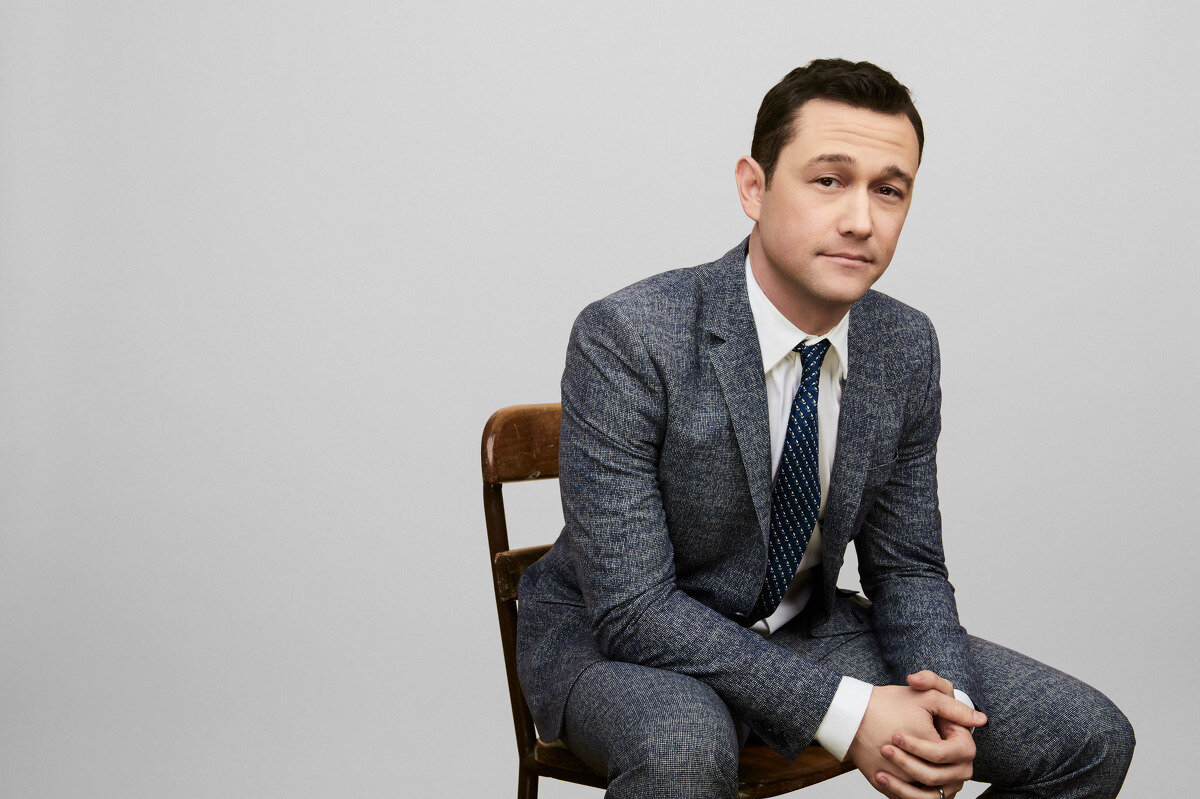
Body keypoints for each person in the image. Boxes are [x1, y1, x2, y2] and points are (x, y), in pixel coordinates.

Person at [515, 58, 1134, 799]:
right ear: (754, 187)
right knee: (684, 748)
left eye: (889, 190)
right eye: (829, 180)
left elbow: (907, 566)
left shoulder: (904, 344)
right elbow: (633, 610)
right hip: (623, 646)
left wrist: (948, 707)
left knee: (1089, 738)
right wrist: (850, 713)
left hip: (804, 632)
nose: (860, 220)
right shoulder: (627, 334)